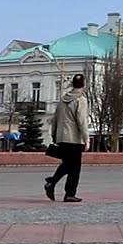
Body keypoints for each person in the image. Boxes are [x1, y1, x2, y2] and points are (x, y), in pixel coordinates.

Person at [45, 74, 90, 203]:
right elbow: (82, 121)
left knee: (67, 164)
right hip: (74, 139)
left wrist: (54, 136)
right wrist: (86, 139)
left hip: (61, 138)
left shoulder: (62, 100)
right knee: (75, 168)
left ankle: (52, 183)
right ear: (83, 86)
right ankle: (69, 193)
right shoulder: (81, 100)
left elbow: (55, 119)